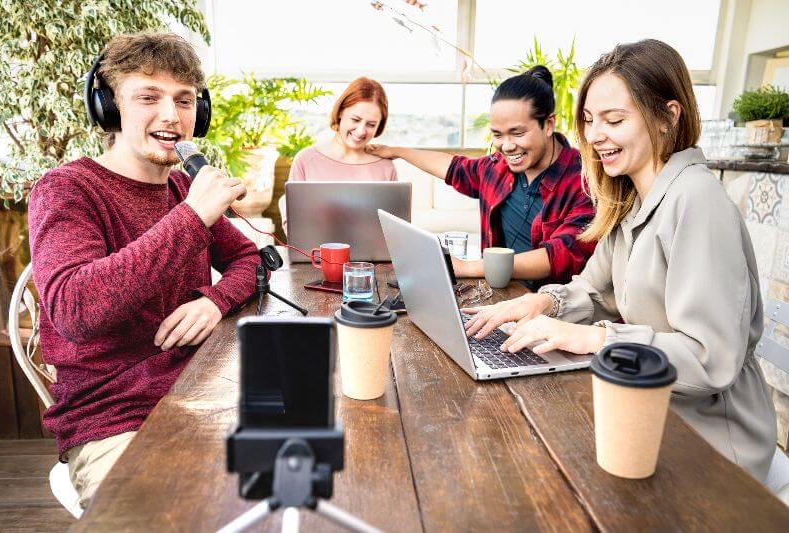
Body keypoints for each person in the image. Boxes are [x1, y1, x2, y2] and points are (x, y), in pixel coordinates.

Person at [464, 39, 776, 481]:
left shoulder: (697, 201)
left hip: (711, 441)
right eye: (590, 120)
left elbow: (709, 360)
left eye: (614, 120)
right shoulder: (630, 200)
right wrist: (541, 303)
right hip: (645, 408)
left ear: (668, 117)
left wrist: (595, 339)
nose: (594, 135)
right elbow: (594, 290)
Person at [28, 32, 260, 507]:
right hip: (116, 419)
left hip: (203, 392)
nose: (171, 115)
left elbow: (249, 260)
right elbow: (75, 310)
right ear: (109, 109)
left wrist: (214, 301)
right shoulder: (67, 190)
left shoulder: (180, 189)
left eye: (184, 100)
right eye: (148, 97)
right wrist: (192, 218)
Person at [367, 66, 595, 288]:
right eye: (498, 135)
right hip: (497, 293)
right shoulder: (497, 167)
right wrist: (397, 151)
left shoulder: (585, 181)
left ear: (548, 125)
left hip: (549, 304)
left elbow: (564, 253)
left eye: (517, 133)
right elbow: (454, 168)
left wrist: (468, 267)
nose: (507, 146)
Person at [279, 77, 397, 233]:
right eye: (355, 119)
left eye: (371, 124)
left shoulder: (385, 167)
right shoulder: (306, 160)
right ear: (341, 111)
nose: (361, 131)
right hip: (316, 248)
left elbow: (393, 230)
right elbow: (293, 228)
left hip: (370, 250)